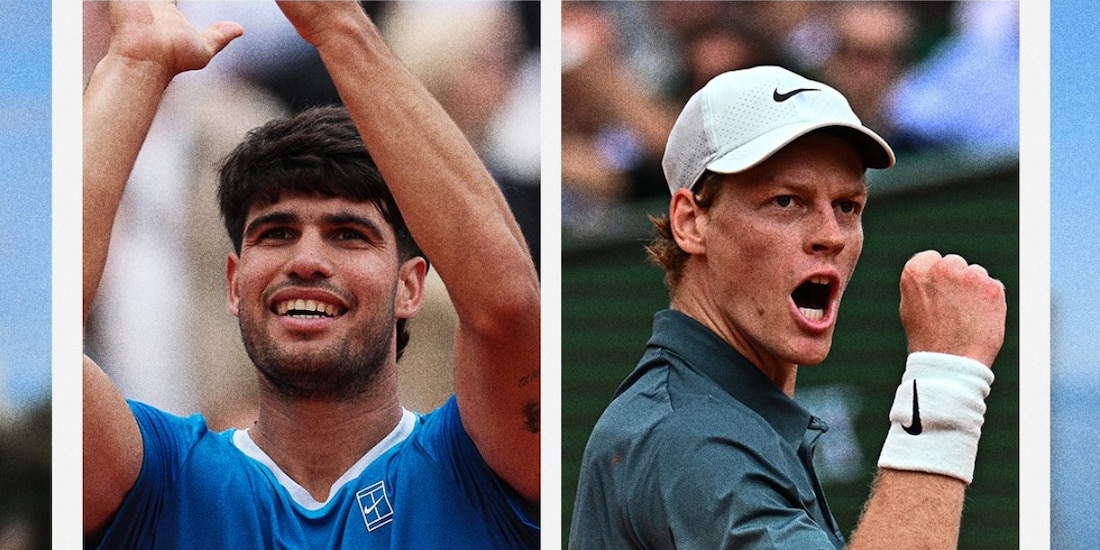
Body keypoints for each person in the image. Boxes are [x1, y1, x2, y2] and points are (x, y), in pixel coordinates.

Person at [83, 1, 540, 548]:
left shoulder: (476, 467)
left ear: (410, 285)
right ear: (234, 283)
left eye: (349, 234)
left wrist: (339, 24)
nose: (305, 261)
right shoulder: (161, 478)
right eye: (275, 233)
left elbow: (508, 310)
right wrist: (135, 61)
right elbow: (50, 345)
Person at [569, 65, 1006, 549]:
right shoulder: (692, 442)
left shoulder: (713, 416)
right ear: (691, 222)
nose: (830, 235)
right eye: (785, 202)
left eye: (847, 206)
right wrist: (946, 382)